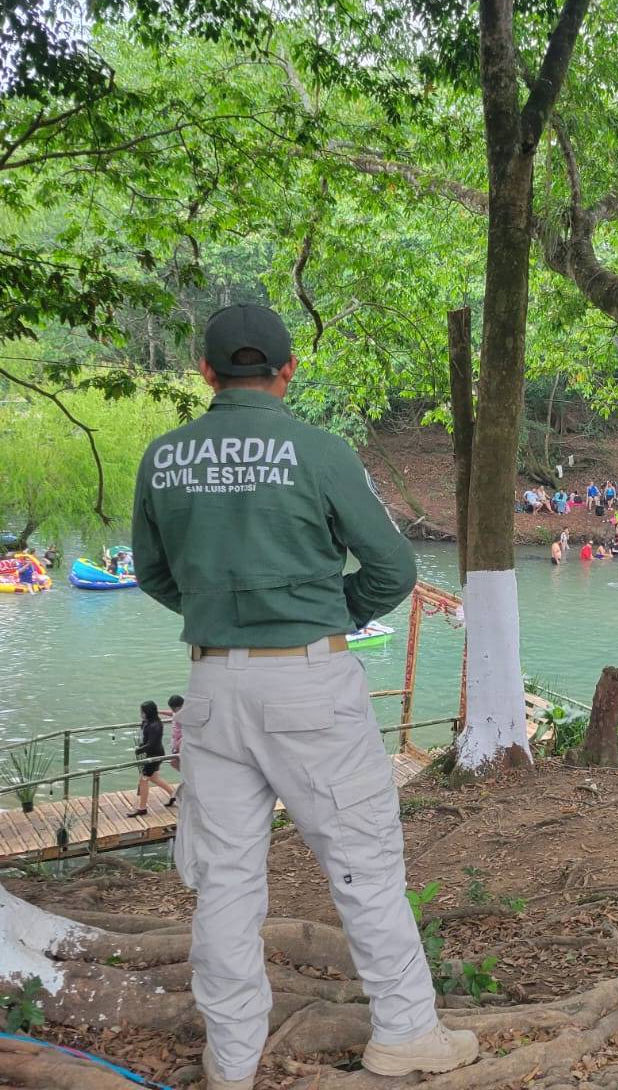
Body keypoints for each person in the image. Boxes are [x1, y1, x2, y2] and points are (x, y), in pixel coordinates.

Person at [132, 304, 477, 1089]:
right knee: (363, 863)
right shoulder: (318, 451)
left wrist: (216, 612)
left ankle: (231, 1061)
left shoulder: (164, 457)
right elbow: (392, 570)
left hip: (212, 687)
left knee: (223, 881)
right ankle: (404, 1033)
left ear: (206, 372)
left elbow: (154, 573)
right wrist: (331, 614)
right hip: (311, 682)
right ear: (288, 370)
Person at [128, 700, 174, 817]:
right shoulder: (149, 722)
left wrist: (140, 750)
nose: (141, 714)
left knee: (144, 780)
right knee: (154, 777)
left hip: (154, 754)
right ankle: (174, 794)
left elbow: (152, 744)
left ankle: (142, 808)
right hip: (151, 753)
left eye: (142, 712)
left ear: (147, 712)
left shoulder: (155, 726)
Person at [167, 693, 185, 772]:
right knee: (175, 763)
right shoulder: (178, 710)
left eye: (174, 708)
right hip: (177, 742)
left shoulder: (186, 714)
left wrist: (178, 745)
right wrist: (159, 711)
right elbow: (172, 713)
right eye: (171, 708)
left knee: (174, 762)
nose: (172, 710)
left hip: (182, 743)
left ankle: (190, 779)